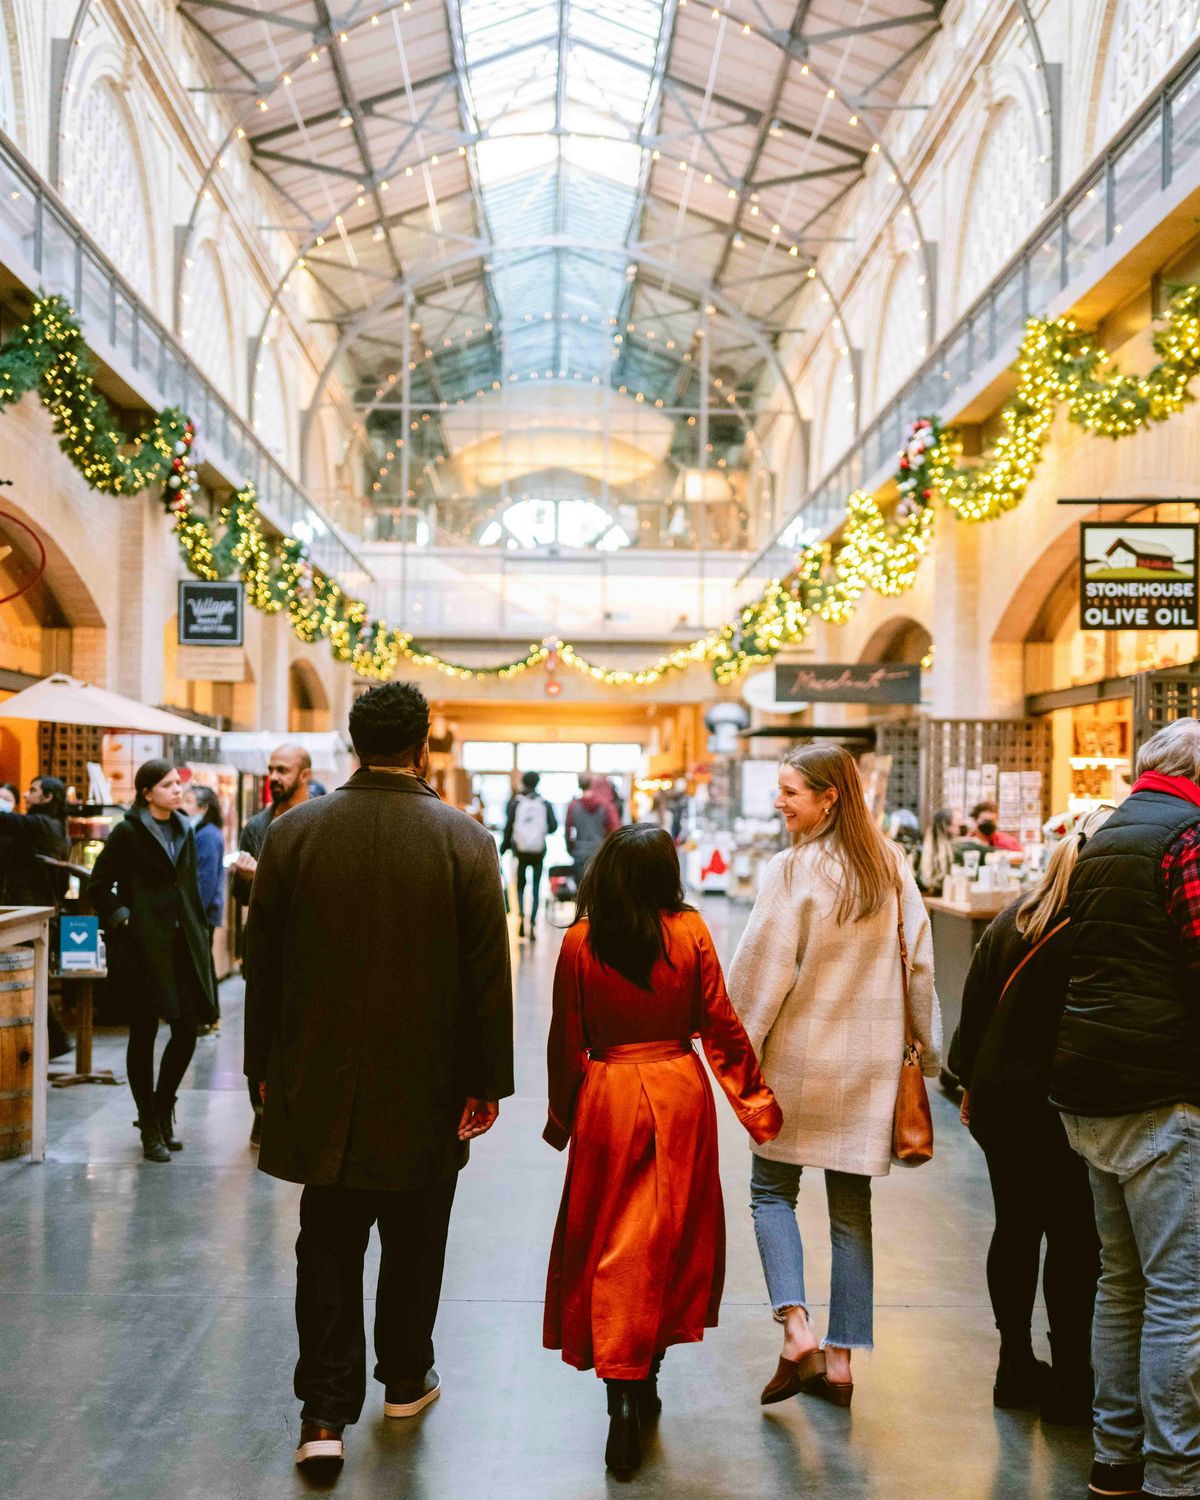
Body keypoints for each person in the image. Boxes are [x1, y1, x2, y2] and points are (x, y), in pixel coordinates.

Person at [243, 681, 513, 1474]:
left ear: (352, 744)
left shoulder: (294, 835)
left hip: (319, 1077)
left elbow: (265, 967)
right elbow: (485, 976)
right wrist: (485, 1080)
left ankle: (323, 1416)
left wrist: (264, 1068)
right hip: (426, 1081)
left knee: (326, 1240)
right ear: (423, 747)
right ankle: (404, 1378)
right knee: (416, 1236)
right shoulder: (464, 840)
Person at [544, 824, 781, 1477]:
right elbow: (722, 1027)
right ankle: (644, 1372)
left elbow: (567, 1036)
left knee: (611, 1241)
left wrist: (562, 1115)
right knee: (669, 1237)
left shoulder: (579, 942)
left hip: (607, 1095)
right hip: (679, 1094)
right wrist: (755, 1104)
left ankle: (620, 1387)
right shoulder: (691, 933)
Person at [728, 744, 940, 1408]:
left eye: (790, 791)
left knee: (771, 1194)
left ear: (830, 798)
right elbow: (921, 970)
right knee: (851, 1213)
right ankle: (841, 1362)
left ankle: (797, 1330)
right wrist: (926, 1058)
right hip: (870, 1069)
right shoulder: (892, 867)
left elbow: (760, 975)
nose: (778, 801)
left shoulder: (791, 872)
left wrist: (738, 1055)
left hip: (795, 1068)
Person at [1051, 719, 1200, 1500]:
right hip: (1161, 1086)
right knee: (1180, 1291)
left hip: (1090, 1084)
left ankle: (1116, 1456)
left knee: (1122, 1280)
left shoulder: (1103, 836)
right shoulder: (1189, 836)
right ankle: (1178, 1475)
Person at [955, 808, 1112, 1426]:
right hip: (1062, 1104)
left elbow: (975, 1007)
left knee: (1015, 1229)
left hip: (1001, 1104)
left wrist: (968, 1084)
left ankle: (1013, 1362)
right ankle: (1073, 1379)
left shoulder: (1012, 919)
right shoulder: (1098, 932)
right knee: (1075, 1240)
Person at [87, 760, 216, 1163]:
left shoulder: (185, 828)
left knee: (188, 1029)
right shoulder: (127, 831)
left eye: (178, 783)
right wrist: (125, 919)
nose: (177, 790)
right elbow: (98, 885)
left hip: (183, 944)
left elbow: (189, 886)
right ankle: (149, 1121)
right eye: (167, 785)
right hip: (144, 947)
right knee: (142, 1032)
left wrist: (199, 932)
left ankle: (161, 1109)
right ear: (147, 793)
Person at [232, 742, 311, 1146]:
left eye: (283, 769)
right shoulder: (256, 827)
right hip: (264, 947)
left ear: (304, 775)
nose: (274, 777)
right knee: (261, 1025)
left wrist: (262, 874)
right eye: (271, 769)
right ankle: (261, 1111)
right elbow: (240, 895)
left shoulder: (322, 820)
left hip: (310, 949)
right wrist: (247, 879)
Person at [184, 784, 225, 1037]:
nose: (184, 805)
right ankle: (208, 1015)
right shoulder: (201, 831)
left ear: (203, 807)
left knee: (202, 963)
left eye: (189, 801)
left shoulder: (207, 834)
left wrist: (194, 910)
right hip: (203, 909)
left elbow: (206, 879)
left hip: (203, 911)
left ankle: (209, 1015)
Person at [501, 770, 558, 940]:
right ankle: (533, 922)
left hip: (521, 851)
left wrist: (503, 847)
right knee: (536, 887)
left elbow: (508, 826)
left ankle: (521, 919)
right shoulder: (545, 803)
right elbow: (554, 826)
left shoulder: (516, 802)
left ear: (524, 783)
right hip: (538, 851)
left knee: (520, 885)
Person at [0, 775, 70, 906]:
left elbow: (4, 820)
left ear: (48, 797)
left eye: (33, 790)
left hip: (29, 908)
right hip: (47, 905)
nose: (25, 795)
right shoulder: (59, 827)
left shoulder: (40, 824)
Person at [565, 772, 618, 884]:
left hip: (579, 853)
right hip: (599, 853)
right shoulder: (605, 805)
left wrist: (572, 849)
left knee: (580, 893)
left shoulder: (573, 806)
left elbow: (568, 832)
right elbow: (613, 829)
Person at [918, 806, 957, 895]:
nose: (962, 823)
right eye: (956, 822)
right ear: (945, 826)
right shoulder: (950, 848)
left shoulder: (930, 845)